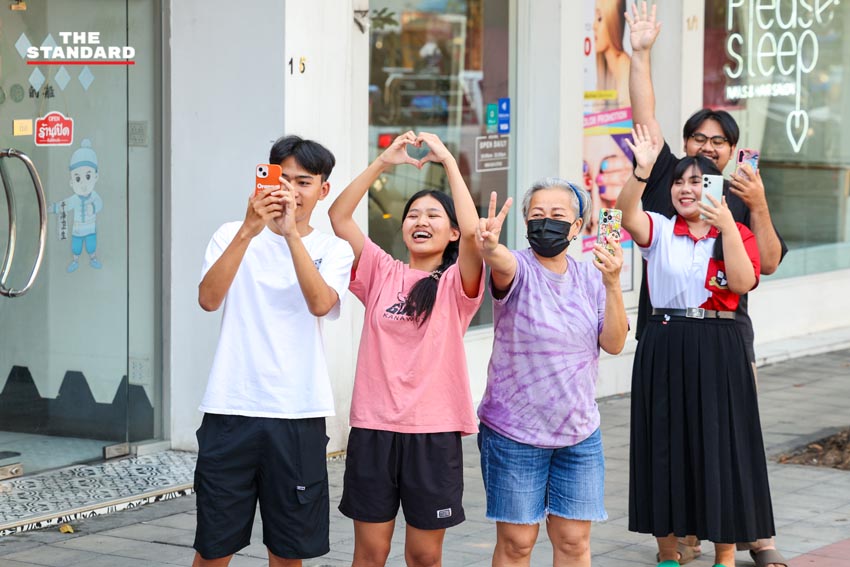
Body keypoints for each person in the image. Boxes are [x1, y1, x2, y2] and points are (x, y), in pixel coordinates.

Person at [626, 3, 788, 564]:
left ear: (733, 148)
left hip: (726, 333)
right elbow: (644, 120)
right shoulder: (672, 186)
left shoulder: (743, 190)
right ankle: (685, 537)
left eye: (718, 139)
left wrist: (759, 204)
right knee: (675, 438)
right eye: (698, 137)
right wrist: (640, 53)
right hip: (667, 331)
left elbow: (766, 266)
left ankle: (757, 540)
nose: (706, 146)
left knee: (732, 437)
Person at [193, 136, 354, 567]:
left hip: (297, 414)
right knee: (213, 547)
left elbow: (320, 303)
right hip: (230, 408)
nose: (292, 192)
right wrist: (250, 229)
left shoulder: (334, 250)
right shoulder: (231, 234)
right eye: (284, 179)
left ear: (323, 190)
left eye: (304, 182)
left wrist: (289, 238)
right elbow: (208, 299)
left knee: (288, 551)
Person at [328, 131, 484, 567]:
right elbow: (339, 217)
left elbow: (474, 236)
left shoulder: (456, 285)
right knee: (370, 554)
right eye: (414, 213)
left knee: (423, 556)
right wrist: (383, 163)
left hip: (432, 433)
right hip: (374, 428)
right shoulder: (381, 271)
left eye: (435, 215)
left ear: (451, 231)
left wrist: (448, 161)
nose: (422, 220)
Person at [475, 178, 628, 567]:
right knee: (517, 543)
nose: (546, 223)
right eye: (537, 215)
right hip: (515, 433)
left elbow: (613, 343)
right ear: (525, 222)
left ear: (577, 227)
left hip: (578, 433)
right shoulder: (518, 267)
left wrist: (613, 284)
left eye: (558, 216)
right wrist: (490, 248)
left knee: (574, 542)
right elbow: (501, 263)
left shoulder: (592, 277)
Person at [50, 139, 104, 272]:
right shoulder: (74, 199)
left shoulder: (94, 196)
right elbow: (65, 205)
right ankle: (75, 261)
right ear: (72, 182)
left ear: (96, 177)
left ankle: (93, 258)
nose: (83, 184)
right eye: (78, 179)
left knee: (91, 245)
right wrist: (54, 208)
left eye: (88, 176)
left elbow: (100, 204)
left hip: (90, 228)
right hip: (77, 230)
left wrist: (94, 207)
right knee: (76, 246)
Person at [594, 0, 631, 108]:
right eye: (595, 18)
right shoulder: (604, 68)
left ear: (613, 22)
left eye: (600, 19)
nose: (593, 26)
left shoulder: (625, 67)